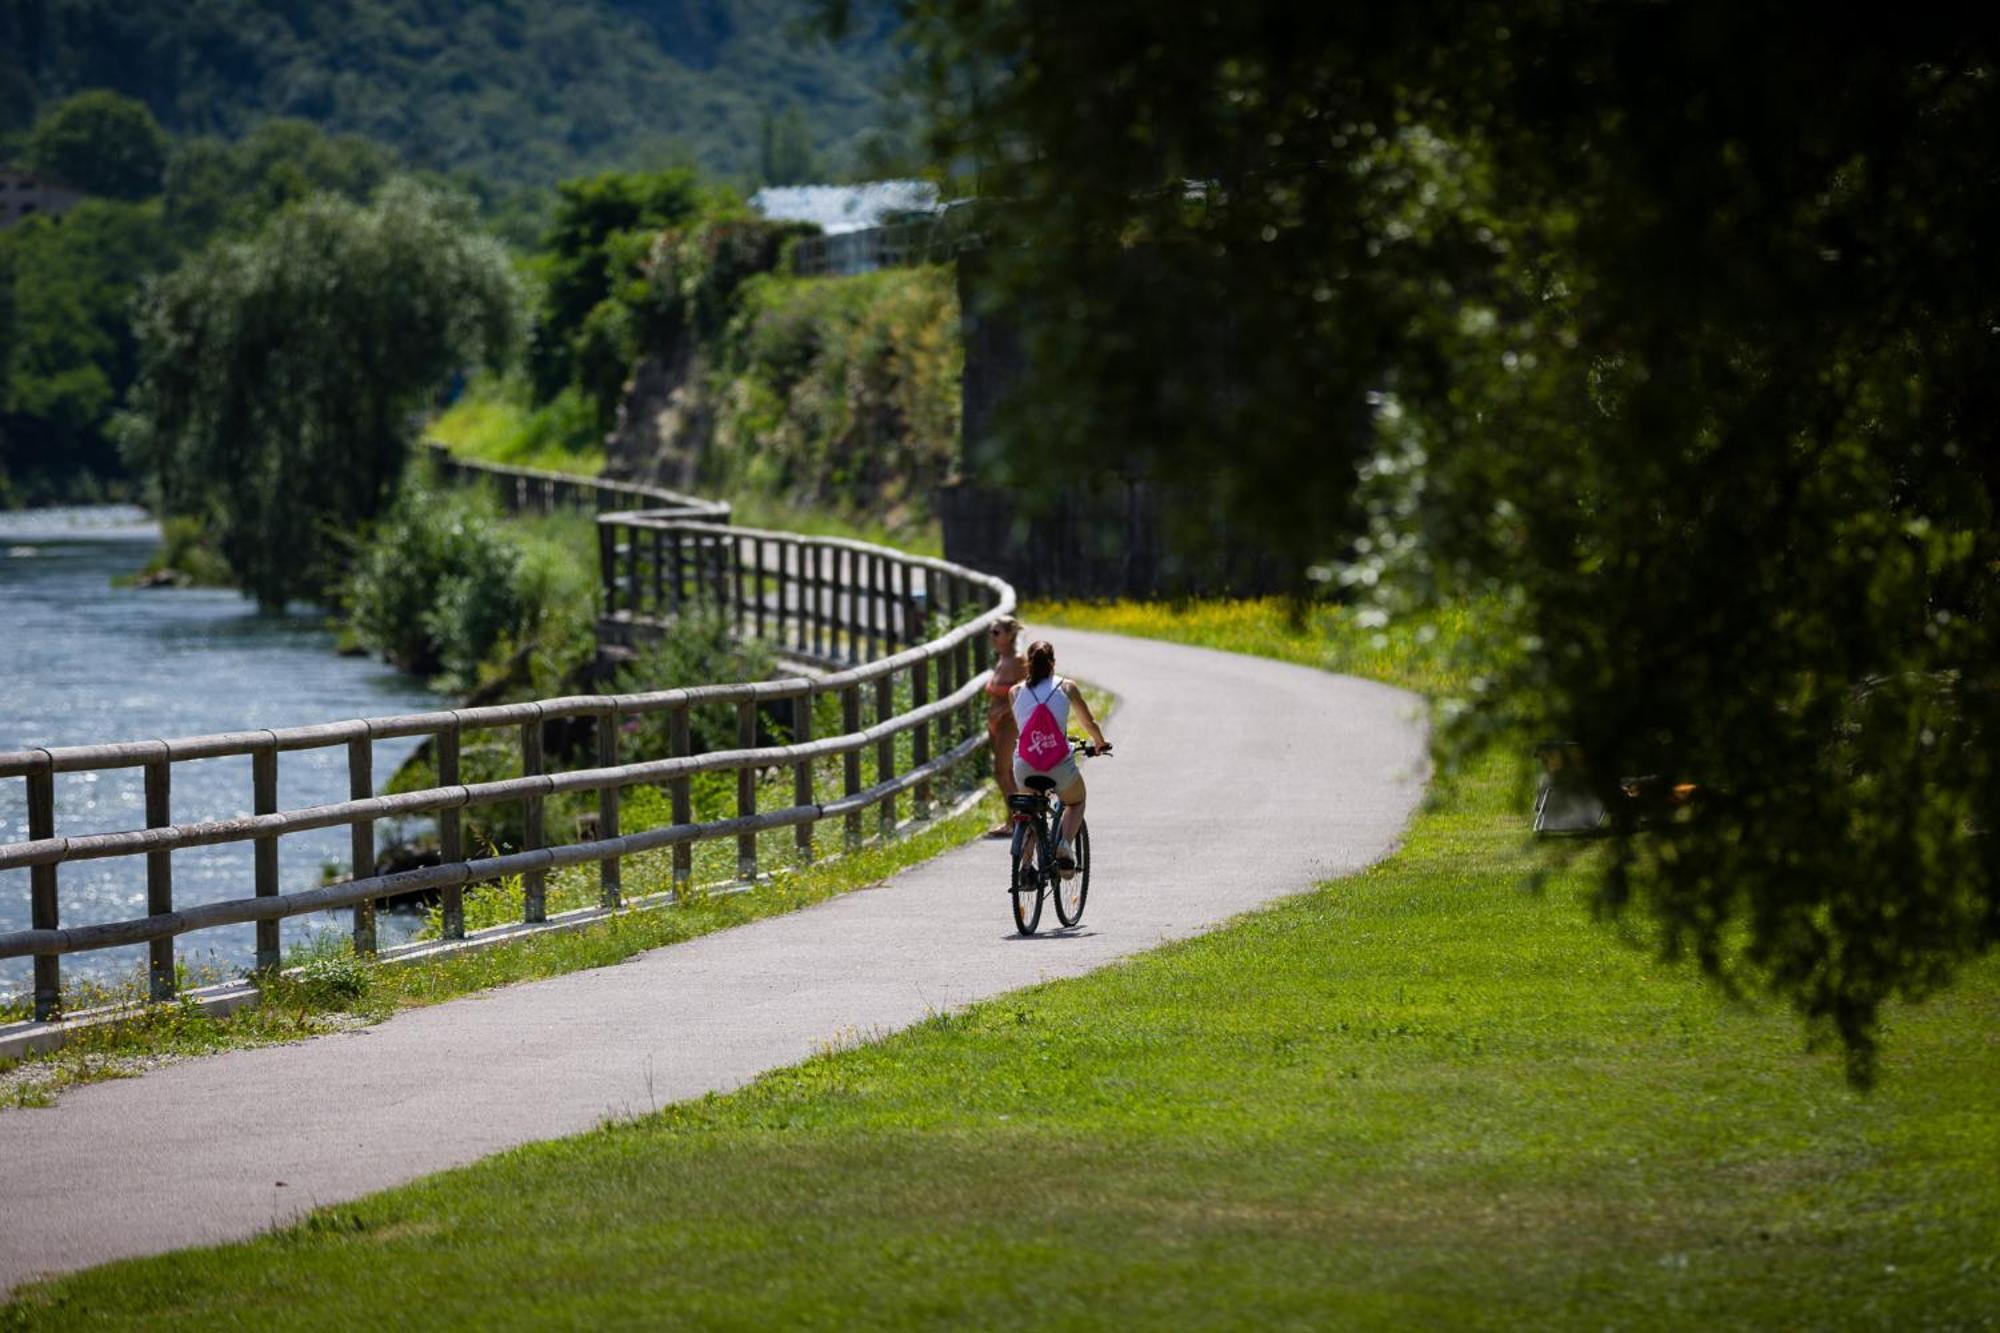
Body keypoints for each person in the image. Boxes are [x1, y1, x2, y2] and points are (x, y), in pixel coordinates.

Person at [1009, 639, 1110, 872]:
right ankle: (1064, 844)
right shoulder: (1066, 687)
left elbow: (1024, 730)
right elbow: (1088, 722)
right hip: (1058, 764)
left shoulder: (1014, 692)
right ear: (1053, 663)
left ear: (1028, 663)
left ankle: (1025, 866)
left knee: (1030, 809)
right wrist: (1100, 742)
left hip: (1025, 765)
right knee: (1076, 801)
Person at [982, 615, 1029, 838]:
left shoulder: (1018, 660)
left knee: (1002, 772)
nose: (993, 636)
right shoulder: (1002, 659)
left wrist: (1005, 712)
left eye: (997, 632)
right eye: (991, 632)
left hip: (1008, 722)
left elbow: (1023, 691)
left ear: (1010, 635)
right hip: (997, 722)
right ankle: (1012, 820)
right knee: (1005, 772)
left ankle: (1018, 817)